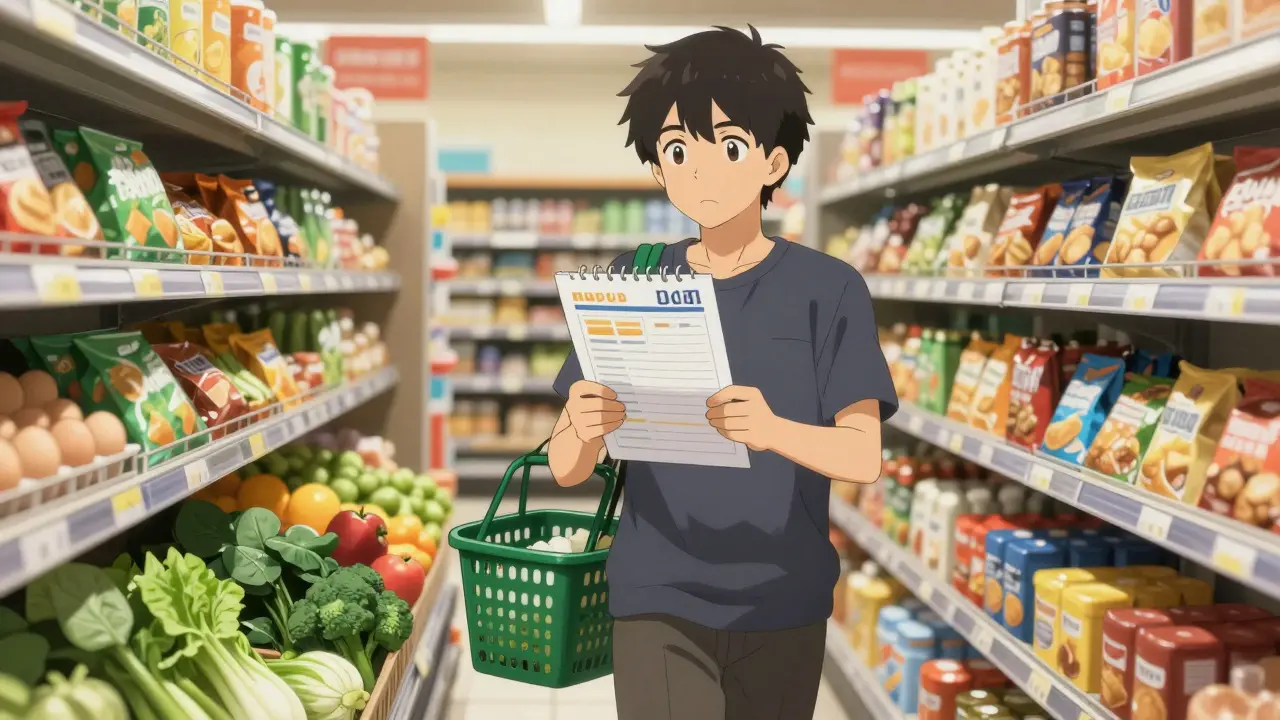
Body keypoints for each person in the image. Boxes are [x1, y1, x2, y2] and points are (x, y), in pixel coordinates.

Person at [547, 25, 898, 720]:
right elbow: (563, 467)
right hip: (658, 595)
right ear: (658, 166)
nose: (700, 172)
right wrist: (585, 429)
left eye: (728, 147)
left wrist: (772, 429)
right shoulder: (634, 280)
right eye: (679, 150)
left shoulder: (827, 290)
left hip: (785, 601)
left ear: (772, 161)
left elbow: (863, 457)